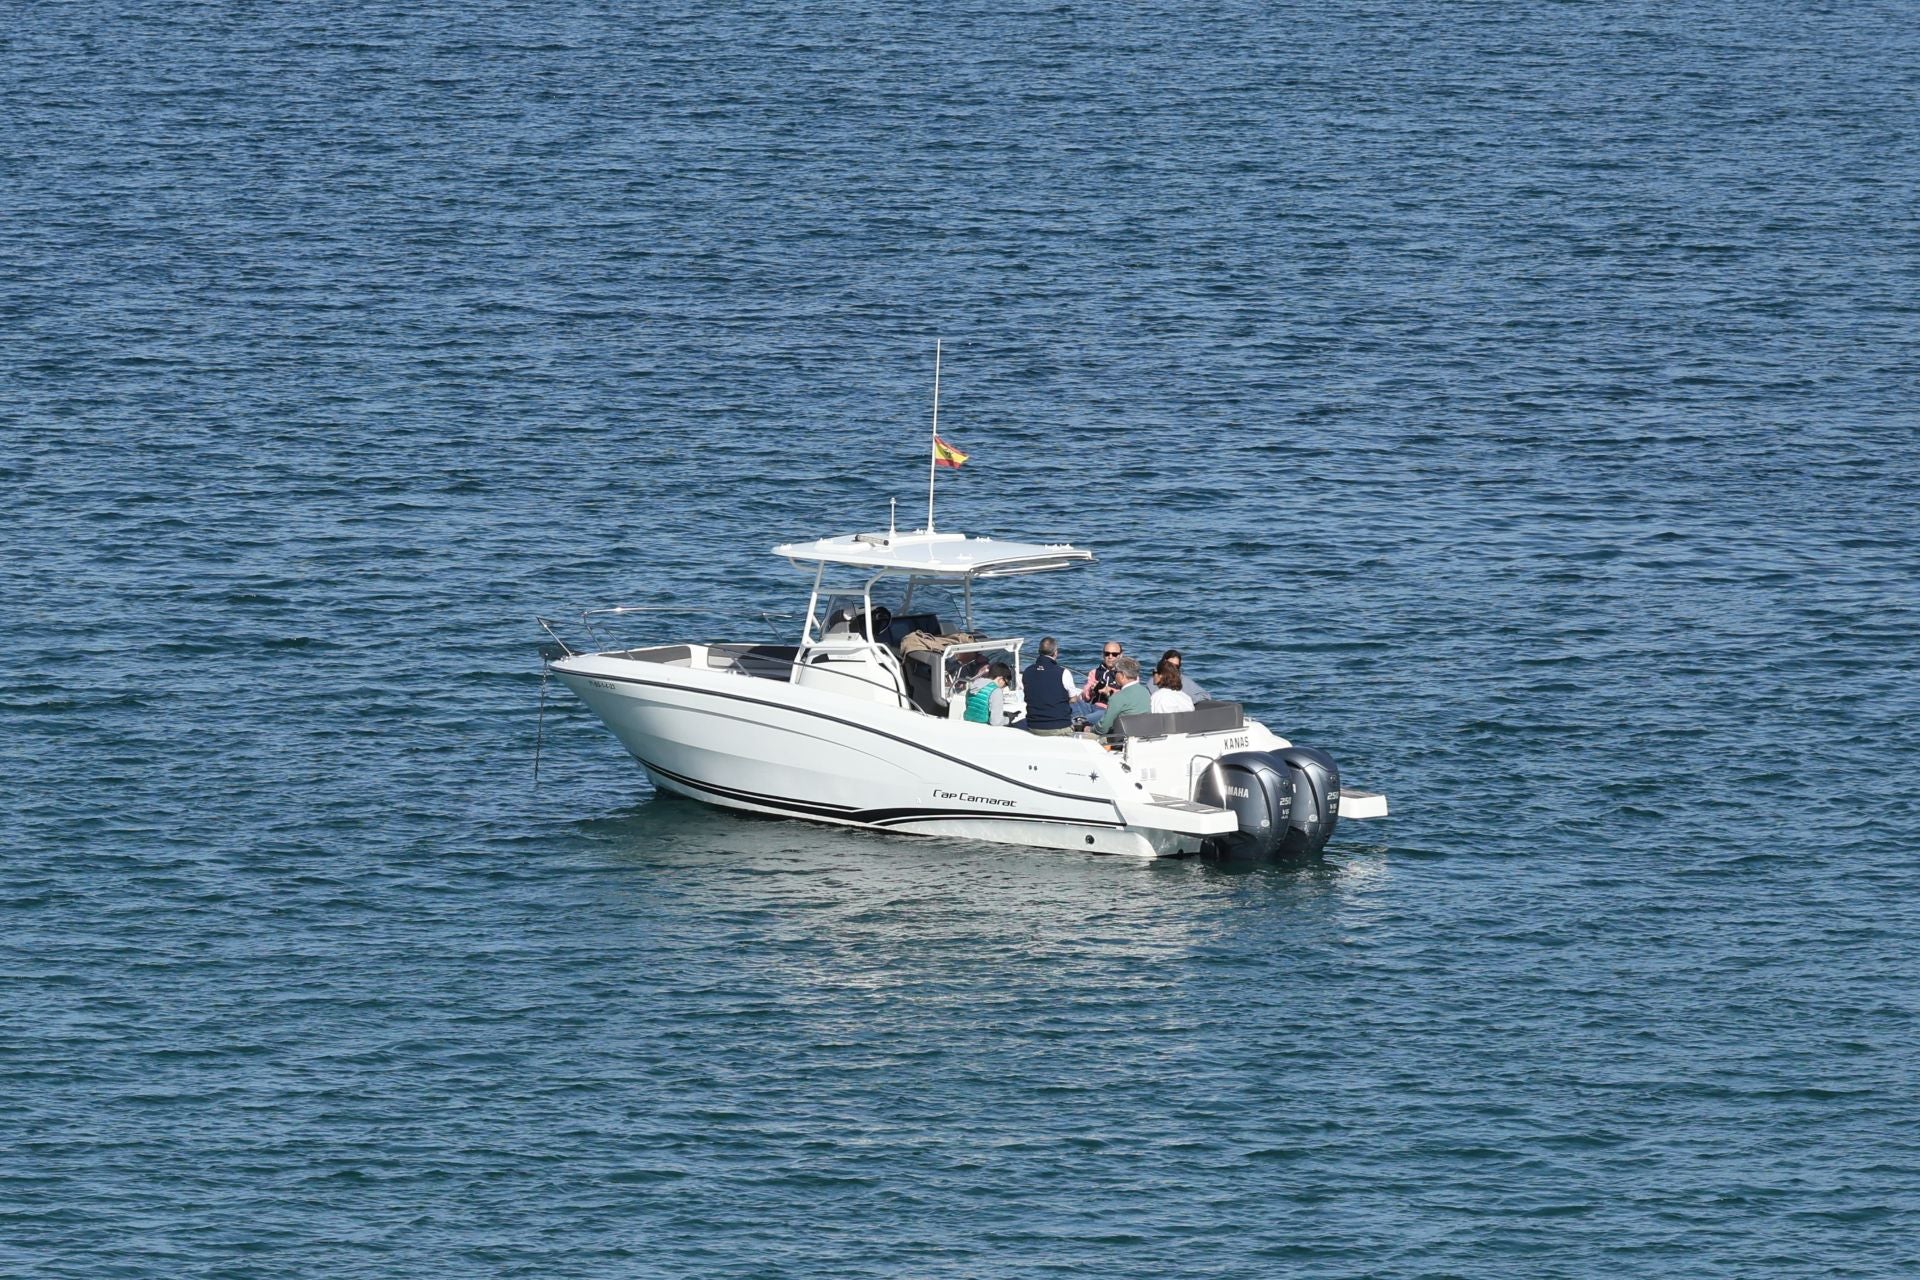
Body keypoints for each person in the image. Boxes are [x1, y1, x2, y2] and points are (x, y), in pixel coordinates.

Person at [1022, 638, 1075, 736]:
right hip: (1059, 726)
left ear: (1038, 652)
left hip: (1033, 726)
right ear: (1055, 653)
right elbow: (1073, 699)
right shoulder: (1063, 672)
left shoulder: (1027, 671)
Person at [1092, 656, 1150, 735]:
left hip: (1120, 740)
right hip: (1141, 735)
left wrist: (1089, 729)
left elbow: (1103, 728)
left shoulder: (1118, 697)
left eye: (1115, 672)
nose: (1114, 675)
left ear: (1122, 675)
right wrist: (1110, 696)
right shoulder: (1145, 692)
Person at [1076, 641, 1125, 720]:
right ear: (1103, 655)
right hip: (1092, 706)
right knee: (1072, 702)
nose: (1110, 656)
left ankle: (1081, 722)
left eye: (1114, 654)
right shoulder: (1094, 672)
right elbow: (1085, 696)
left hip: (1109, 710)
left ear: (1120, 655)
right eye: (1107, 654)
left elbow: (1129, 696)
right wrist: (1091, 690)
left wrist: (1110, 691)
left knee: (1085, 719)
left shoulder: (1126, 674)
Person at [965, 662, 1014, 726]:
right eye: (1006, 684)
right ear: (1000, 679)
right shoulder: (996, 691)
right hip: (984, 728)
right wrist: (1008, 719)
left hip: (968, 724)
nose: (1004, 687)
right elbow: (996, 722)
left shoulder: (972, 686)